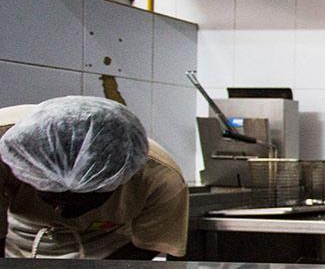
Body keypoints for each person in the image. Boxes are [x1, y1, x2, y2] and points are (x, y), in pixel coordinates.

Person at [0, 96, 189, 259]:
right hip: (18, 237)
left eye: (81, 203)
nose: (62, 212)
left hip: (107, 247)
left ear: (118, 181)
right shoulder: (8, 149)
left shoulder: (160, 178)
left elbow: (153, 244)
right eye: (52, 197)